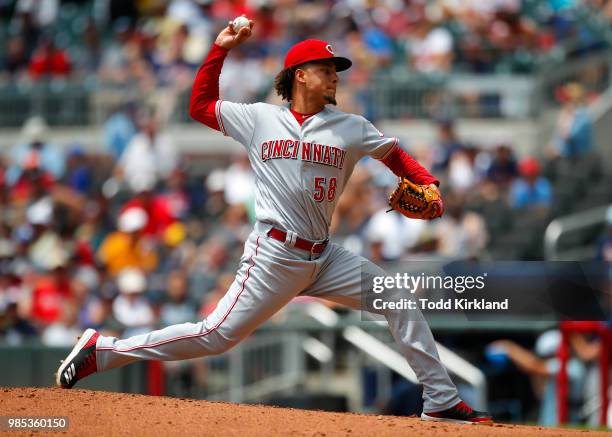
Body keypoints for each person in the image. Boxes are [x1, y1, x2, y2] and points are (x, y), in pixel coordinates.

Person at [56, 18, 492, 424]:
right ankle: (104, 351)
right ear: (300, 74)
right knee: (215, 336)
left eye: (336, 69)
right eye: (326, 68)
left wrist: (427, 182)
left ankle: (440, 400)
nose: (335, 75)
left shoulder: (351, 126)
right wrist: (219, 49)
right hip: (275, 254)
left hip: (325, 257)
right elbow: (200, 105)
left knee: (396, 298)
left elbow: (394, 155)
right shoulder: (260, 118)